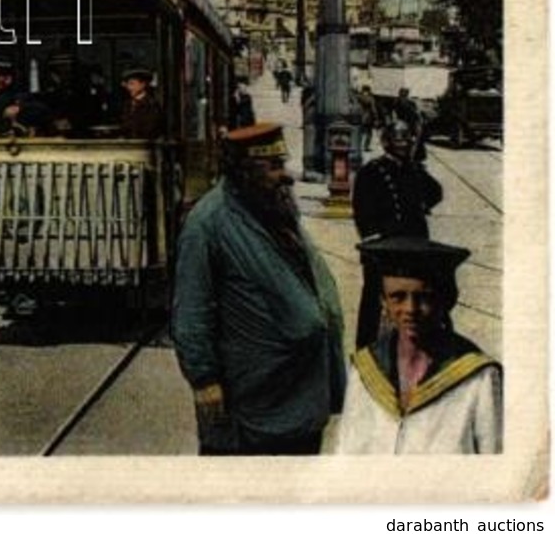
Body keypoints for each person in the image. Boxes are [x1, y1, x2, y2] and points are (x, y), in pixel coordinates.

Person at [171, 122, 345, 455]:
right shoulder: (208, 223)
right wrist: (204, 379)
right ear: (245, 171)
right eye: (274, 166)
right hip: (251, 400)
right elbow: (191, 311)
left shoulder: (272, 207)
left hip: (298, 393)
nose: (287, 175)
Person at [335, 236, 501, 454]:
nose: (410, 309)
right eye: (398, 297)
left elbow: (494, 465)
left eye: (424, 297)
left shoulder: (478, 378)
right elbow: (346, 454)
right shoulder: (365, 370)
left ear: (446, 300)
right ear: (383, 301)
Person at [351, 120, 445, 347]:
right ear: (386, 142)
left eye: (407, 140)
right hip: (384, 251)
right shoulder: (372, 171)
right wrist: (374, 241)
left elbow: (436, 192)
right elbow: (361, 211)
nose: (404, 145)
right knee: (376, 304)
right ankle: (370, 349)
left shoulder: (413, 170)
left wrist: (418, 166)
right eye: (398, 140)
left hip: (413, 248)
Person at [119, 68, 165, 139]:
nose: (129, 87)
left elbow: (151, 129)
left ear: (142, 85)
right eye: (128, 84)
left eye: (132, 84)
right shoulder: (127, 104)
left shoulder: (151, 104)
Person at [357, 85, 383, 152]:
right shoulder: (370, 98)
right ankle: (366, 147)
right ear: (368, 91)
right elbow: (373, 109)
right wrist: (376, 118)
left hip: (358, 117)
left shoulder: (358, 97)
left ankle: (357, 146)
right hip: (368, 118)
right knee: (369, 133)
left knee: (359, 132)